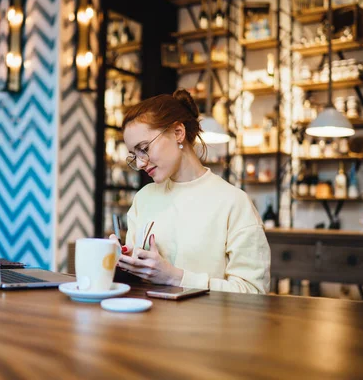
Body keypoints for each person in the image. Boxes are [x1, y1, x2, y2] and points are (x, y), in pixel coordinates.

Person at [110, 89, 270, 293]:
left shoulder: (234, 202)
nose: (140, 163)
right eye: (134, 155)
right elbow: (137, 284)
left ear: (178, 132)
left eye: (145, 148)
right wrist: (122, 263)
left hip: (209, 325)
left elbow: (255, 292)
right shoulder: (144, 198)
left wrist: (175, 278)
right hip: (148, 322)